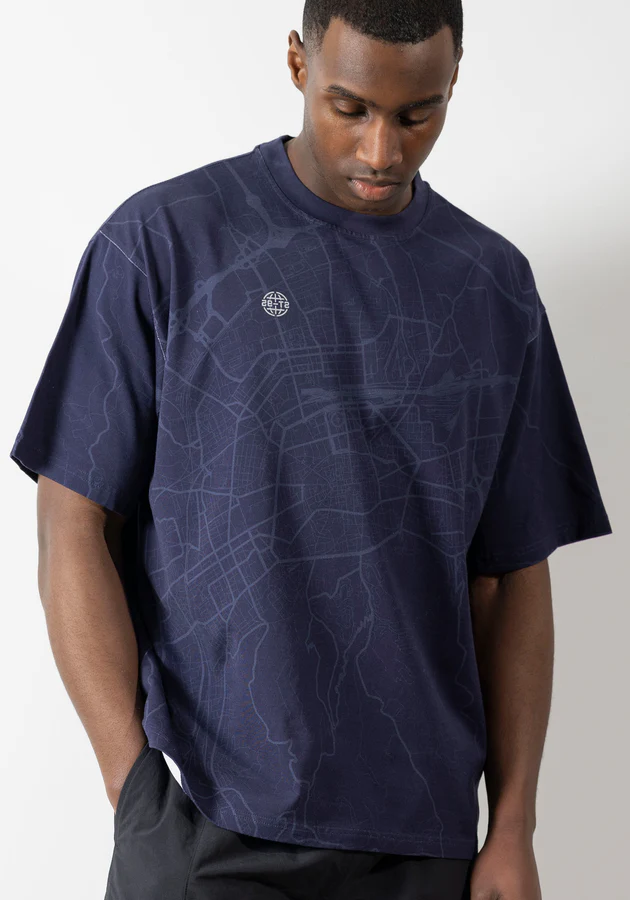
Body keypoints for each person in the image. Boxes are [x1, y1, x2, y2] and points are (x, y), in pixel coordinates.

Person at [9, 2, 613, 899]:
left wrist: (513, 824)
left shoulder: (492, 286)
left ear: (455, 79)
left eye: (418, 114)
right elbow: (72, 518)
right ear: (299, 62)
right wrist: (134, 794)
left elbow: (511, 573)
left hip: (422, 838)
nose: (382, 150)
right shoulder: (165, 243)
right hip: (208, 824)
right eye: (350, 107)